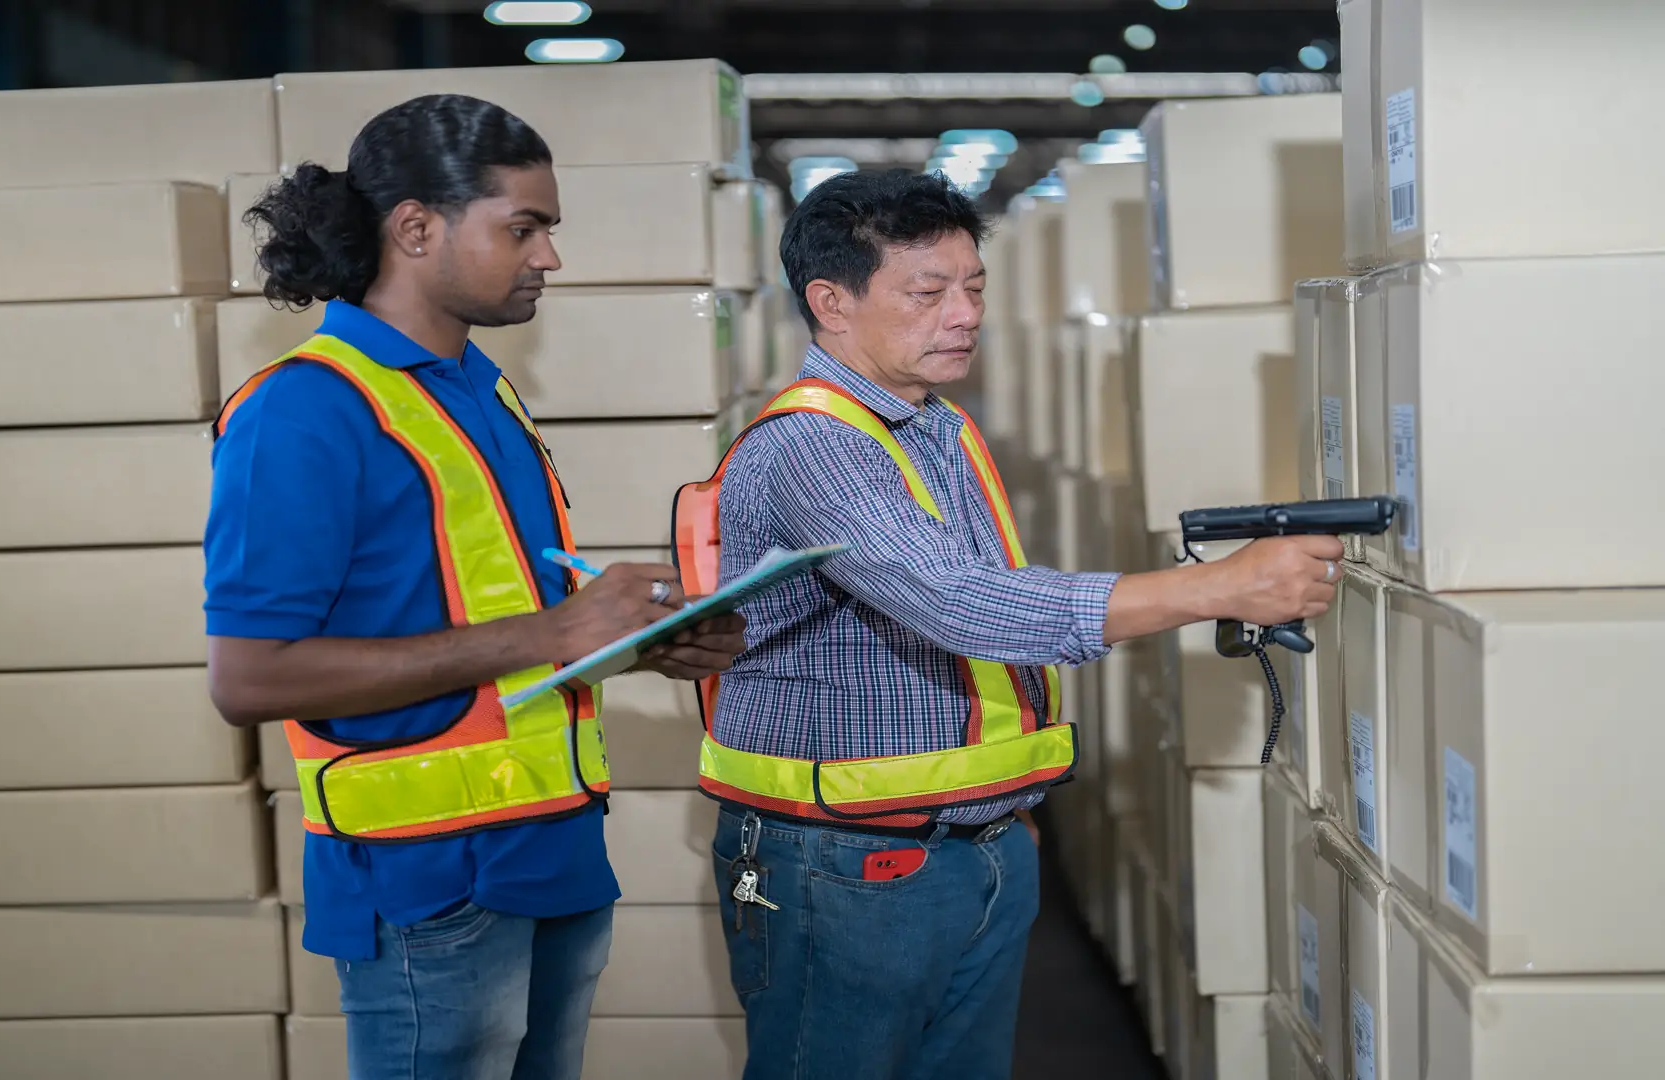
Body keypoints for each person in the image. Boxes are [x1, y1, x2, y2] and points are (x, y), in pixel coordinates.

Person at [673, 169, 1343, 1080]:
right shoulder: (812, 447)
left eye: (974, 287)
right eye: (927, 292)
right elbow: (966, 606)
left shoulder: (931, 428)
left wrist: (1000, 817)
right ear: (831, 303)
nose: (964, 314)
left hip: (966, 846)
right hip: (844, 862)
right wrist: (1214, 588)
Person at [203, 94, 746, 1080]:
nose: (549, 258)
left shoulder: (479, 387)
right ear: (416, 228)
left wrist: (637, 634)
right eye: (523, 228)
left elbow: (492, 612)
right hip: (429, 888)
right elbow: (251, 679)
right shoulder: (303, 414)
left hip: (552, 856)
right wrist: (552, 632)